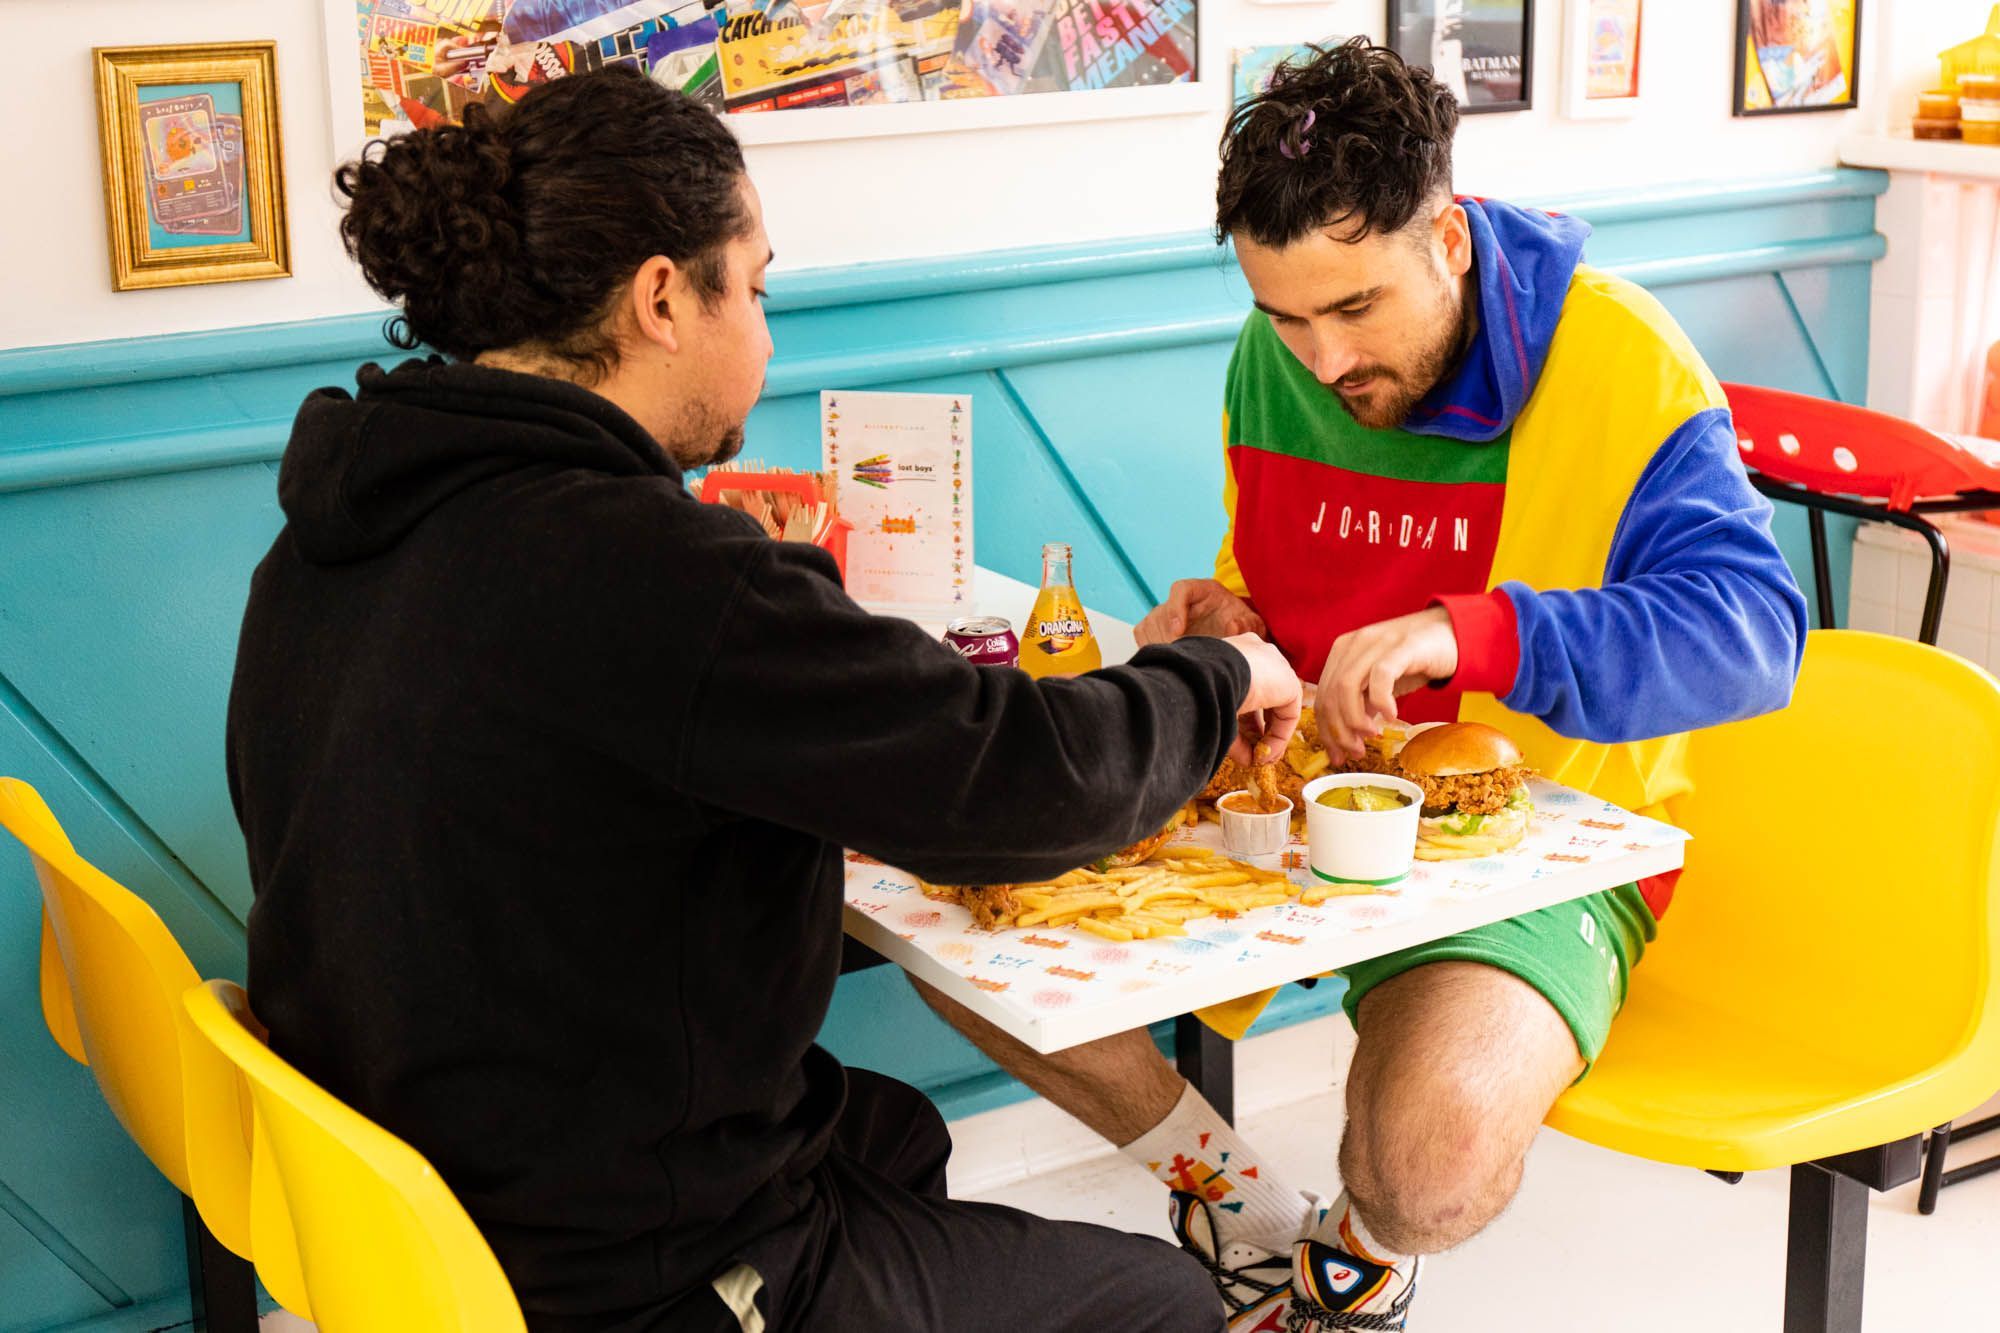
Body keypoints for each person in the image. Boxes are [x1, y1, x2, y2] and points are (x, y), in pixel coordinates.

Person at [225, 68, 1302, 1333]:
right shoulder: (647, 570)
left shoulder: (334, 529)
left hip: (410, 1199)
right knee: (1160, 1301)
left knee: (884, 1133)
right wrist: (1220, 675)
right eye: (762, 285)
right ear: (664, 298)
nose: (771, 335)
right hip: (621, 1272)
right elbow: (1021, 786)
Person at [915, 38, 1808, 1332]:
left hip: (1533, 844)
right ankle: (1231, 1203)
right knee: (949, 901)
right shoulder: (1268, 359)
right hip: (1288, 798)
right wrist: (1224, 623)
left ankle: (1351, 1270)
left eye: (1356, 311)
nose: (1321, 361)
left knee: (1428, 1165)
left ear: (1446, 237)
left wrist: (1473, 637)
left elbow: (1754, 632)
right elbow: (1276, 588)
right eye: (1287, 314)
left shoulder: (1624, 359)